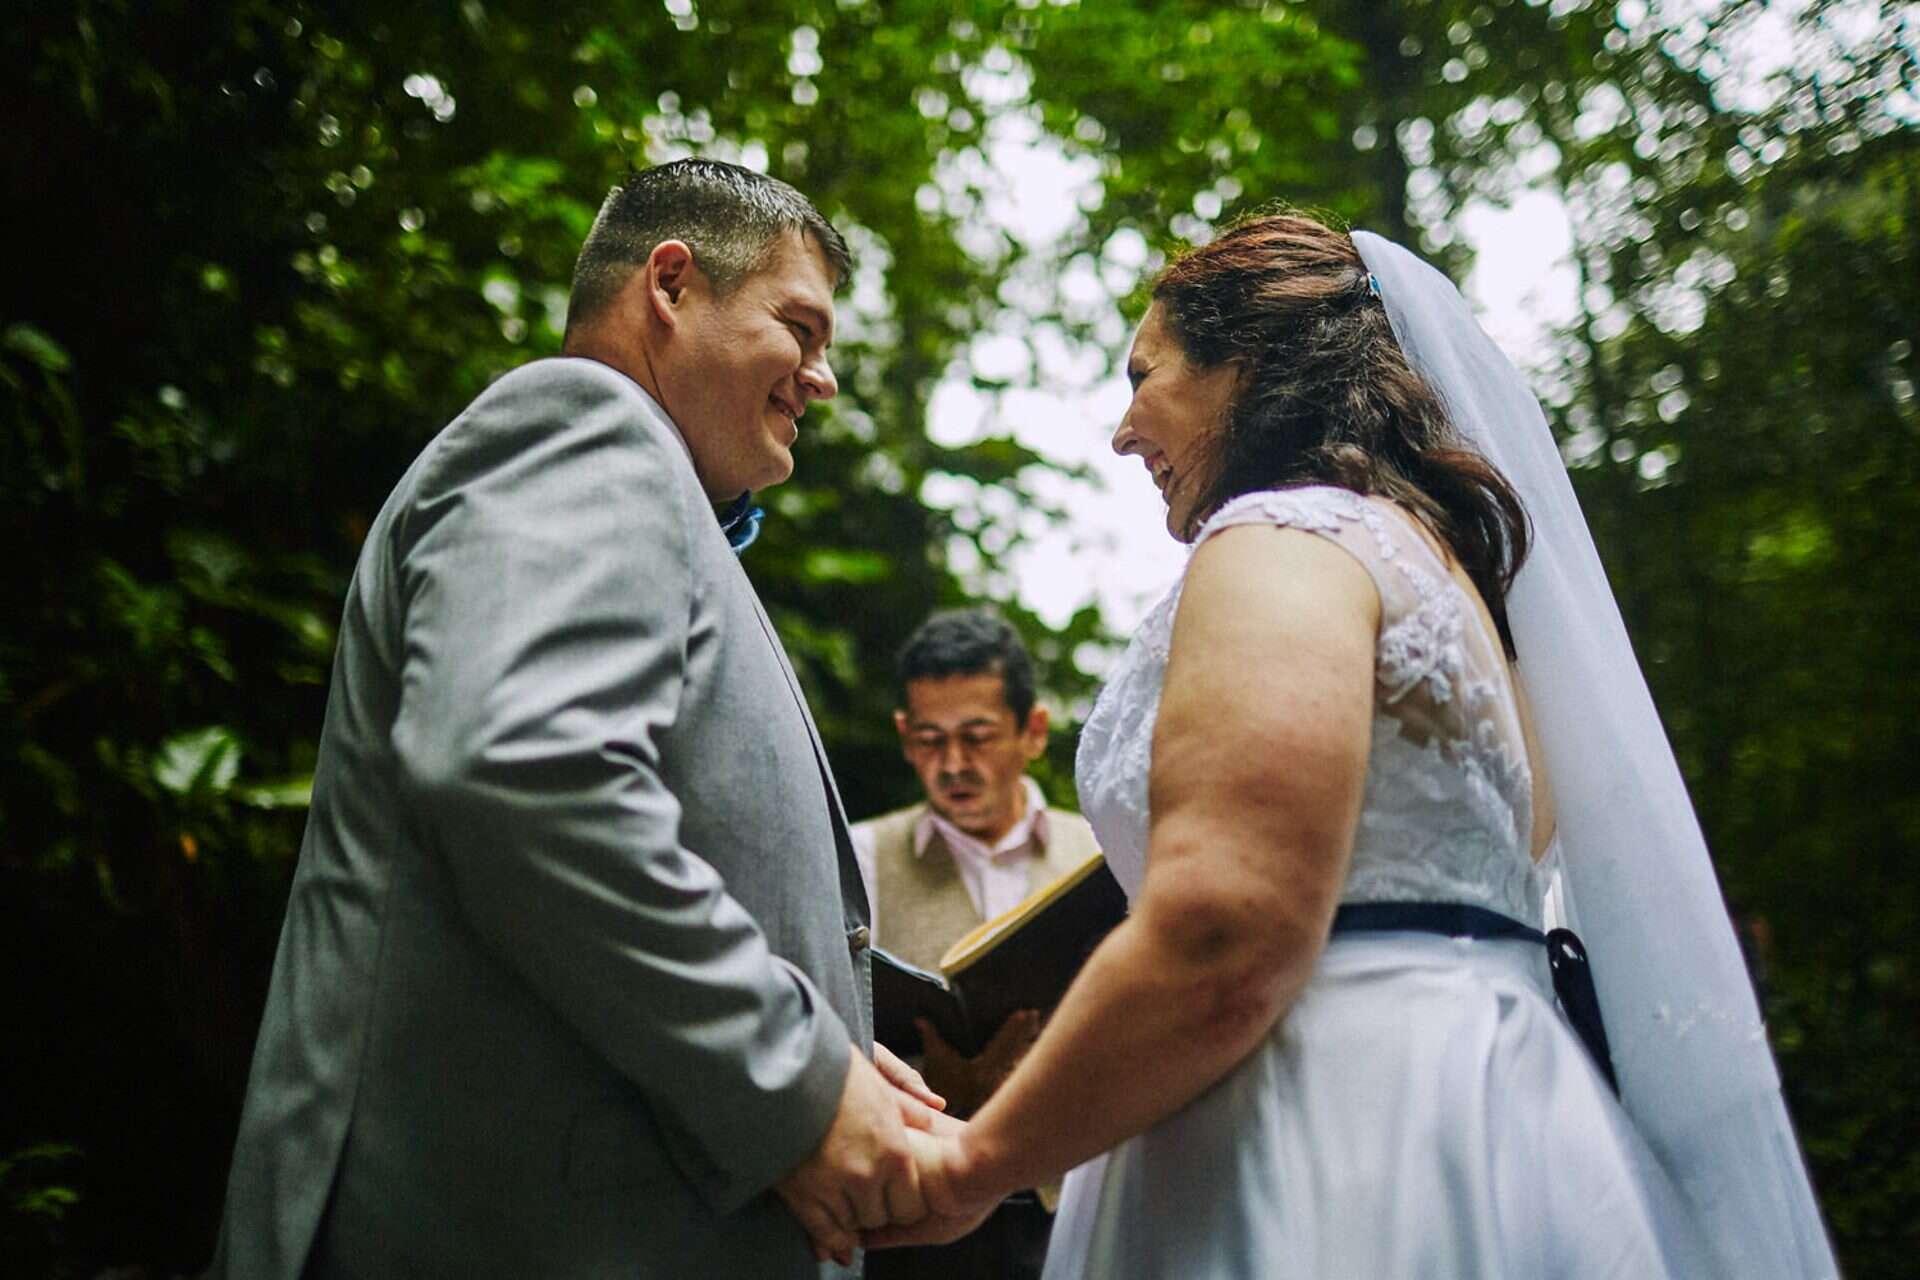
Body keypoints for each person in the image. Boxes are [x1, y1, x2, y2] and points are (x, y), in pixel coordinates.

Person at [861, 212, 1838, 1278]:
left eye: (1144, 376)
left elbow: (1223, 934)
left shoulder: (1283, 541)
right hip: (1491, 1113)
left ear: (1244, 364)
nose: (1123, 431)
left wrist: (973, 1165)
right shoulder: (1462, 595)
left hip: (1321, 1130)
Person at [209, 159, 943, 1280]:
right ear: (671, 284)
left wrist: (843, 1053)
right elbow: (526, 768)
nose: (823, 378)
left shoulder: (655, 493)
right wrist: (797, 1085)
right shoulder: (586, 425)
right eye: (800, 329)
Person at [852, 609, 1100, 1280]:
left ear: (1033, 731)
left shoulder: (1101, 852)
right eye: (930, 740)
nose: (953, 764)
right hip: (919, 1214)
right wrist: (938, 1082)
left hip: (1073, 1199)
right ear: (904, 737)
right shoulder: (860, 856)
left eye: (977, 737)